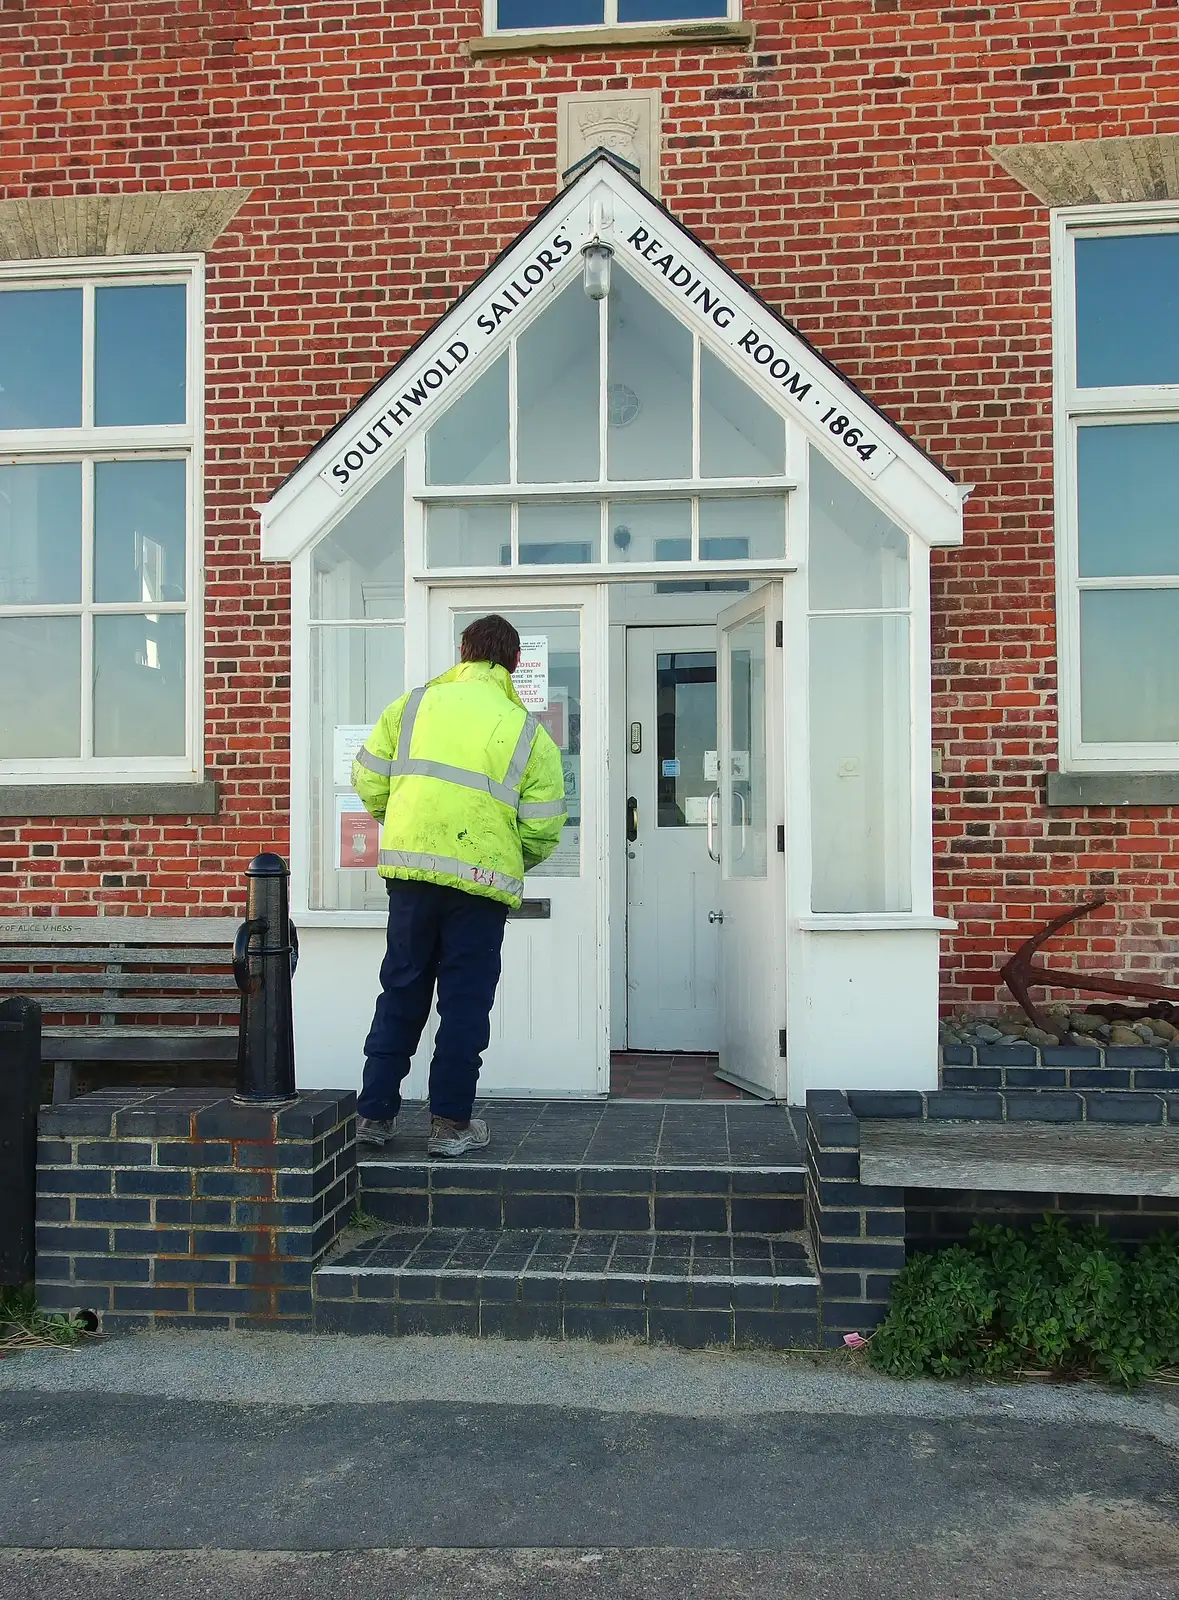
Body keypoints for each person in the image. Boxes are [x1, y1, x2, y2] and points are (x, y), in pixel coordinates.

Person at [351, 614, 567, 1156]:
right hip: (480, 885)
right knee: (464, 1004)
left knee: (401, 989)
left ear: (464, 651)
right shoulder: (527, 731)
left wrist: (400, 822)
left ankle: (373, 1116)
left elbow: (369, 778)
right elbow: (543, 826)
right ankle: (449, 1125)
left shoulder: (414, 705)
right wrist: (507, 854)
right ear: (515, 664)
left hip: (412, 877)